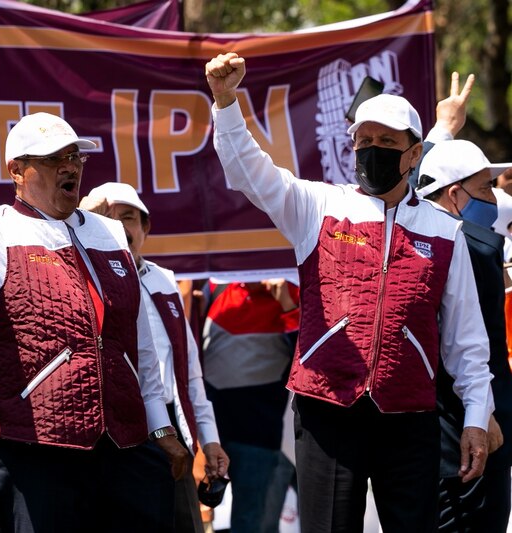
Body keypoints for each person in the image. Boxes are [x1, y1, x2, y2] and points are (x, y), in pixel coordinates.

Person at [0, 78, 189, 533]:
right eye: (53, 160)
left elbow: (136, 342)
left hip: (125, 443)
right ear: (17, 171)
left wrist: (160, 428)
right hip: (39, 447)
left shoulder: (111, 233)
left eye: (74, 156)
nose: (70, 167)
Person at [205, 52, 494, 532]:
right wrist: (226, 102)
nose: (371, 149)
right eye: (364, 140)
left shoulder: (445, 231)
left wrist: (477, 417)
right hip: (327, 409)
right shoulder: (318, 205)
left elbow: (467, 342)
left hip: (409, 413)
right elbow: (247, 172)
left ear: (415, 153)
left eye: (386, 141)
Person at [81, 182, 229, 533]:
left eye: (129, 218)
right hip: (112, 436)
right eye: (106, 218)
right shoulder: (81, 281)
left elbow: (189, 375)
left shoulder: (165, 281)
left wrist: (208, 439)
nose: (120, 227)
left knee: (181, 523)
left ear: (145, 228)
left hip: (169, 433)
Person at [415, 139, 512, 532]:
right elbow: (475, 349)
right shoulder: (474, 246)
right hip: (470, 434)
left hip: (438, 435)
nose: (495, 197)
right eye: (486, 188)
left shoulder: (407, 237)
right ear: (455, 195)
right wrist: (482, 411)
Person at [201, 279, 299, 533]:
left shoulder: (290, 293)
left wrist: (288, 305)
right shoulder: (215, 287)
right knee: (196, 516)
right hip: (210, 435)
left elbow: (309, 360)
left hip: (260, 436)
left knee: (253, 523)